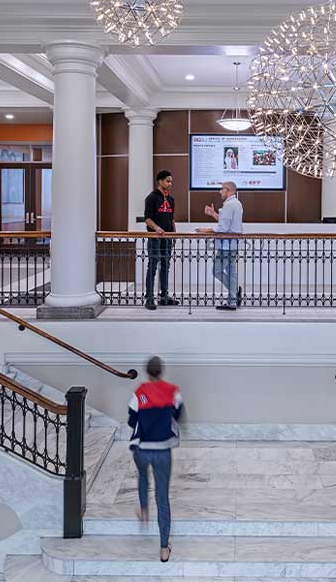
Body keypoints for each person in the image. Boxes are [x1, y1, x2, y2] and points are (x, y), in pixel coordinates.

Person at [128, 356, 183, 563]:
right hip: (162, 450)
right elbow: (178, 414)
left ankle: (143, 510)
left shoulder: (139, 393)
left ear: (147, 372)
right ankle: (163, 548)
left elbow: (131, 419)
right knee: (162, 497)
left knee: (142, 476)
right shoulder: (172, 391)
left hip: (142, 448)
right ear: (161, 371)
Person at [199, 181, 244, 310]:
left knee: (217, 271)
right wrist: (213, 214)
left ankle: (234, 293)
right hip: (233, 245)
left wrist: (206, 230)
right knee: (231, 273)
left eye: (222, 189)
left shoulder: (229, 205)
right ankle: (233, 301)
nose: (220, 192)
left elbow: (223, 228)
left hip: (226, 246)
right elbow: (226, 222)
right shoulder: (236, 203)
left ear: (228, 190)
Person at [143, 171, 179, 311]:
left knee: (165, 265)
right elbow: (147, 218)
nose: (170, 184)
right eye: (167, 181)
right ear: (160, 181)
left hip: (167, 238)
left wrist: (174, 234)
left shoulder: (171, 199)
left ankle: (164, 297)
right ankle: (150, 298)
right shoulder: (151, 198)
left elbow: (172, 218)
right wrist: (157, 228)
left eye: (171, 181)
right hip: (155, 238)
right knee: (152, 265)